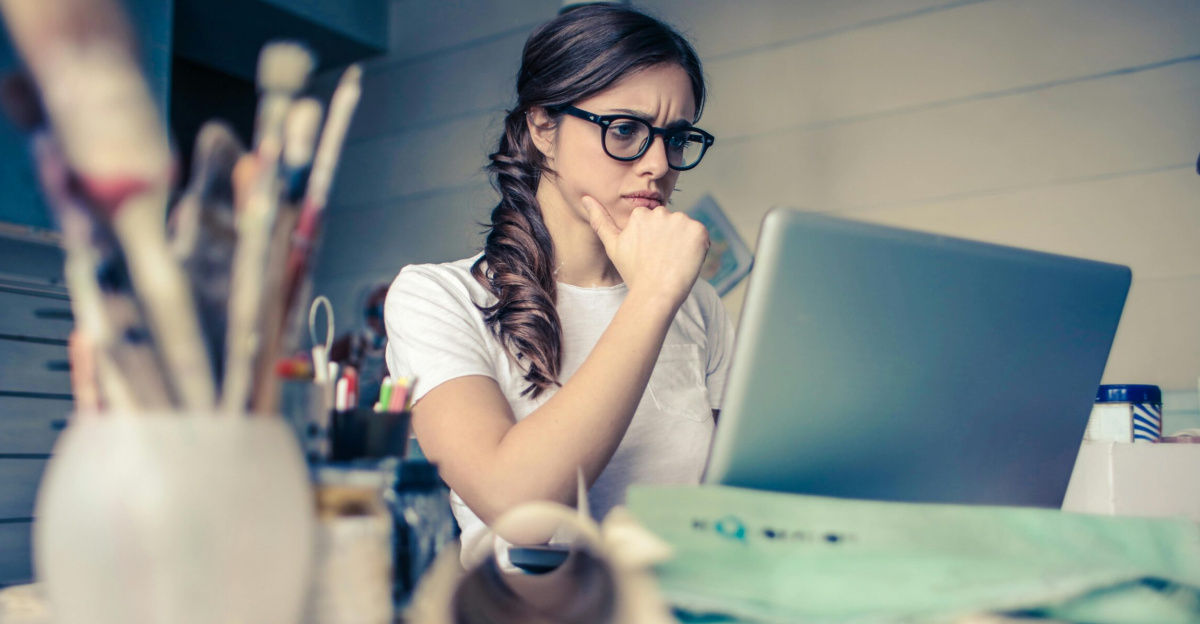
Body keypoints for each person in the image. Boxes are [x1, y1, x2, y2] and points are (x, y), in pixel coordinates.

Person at [383, 4, 733, 564]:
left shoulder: (701, 309)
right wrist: (651, 297)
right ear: (543, 127)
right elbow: (519, 509)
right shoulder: (437, 298)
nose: (658, 165)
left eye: (676, 137)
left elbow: (731, 510)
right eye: (624, 130)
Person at [329, 283, 390, 408]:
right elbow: (324, 360)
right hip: (352, 409)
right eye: (375, 311)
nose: (379, 319)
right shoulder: (352, 342)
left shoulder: (395, 347)